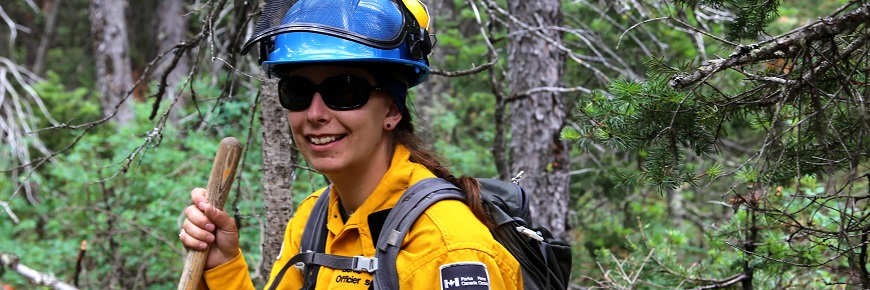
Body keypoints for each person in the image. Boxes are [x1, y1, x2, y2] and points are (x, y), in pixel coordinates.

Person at [179, 0, 522, 289]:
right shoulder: (314, 219)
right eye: (297, 92)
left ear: (391, 109)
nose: (314, 113)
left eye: (344, 91)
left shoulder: (449, 249)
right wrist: (223, 265)